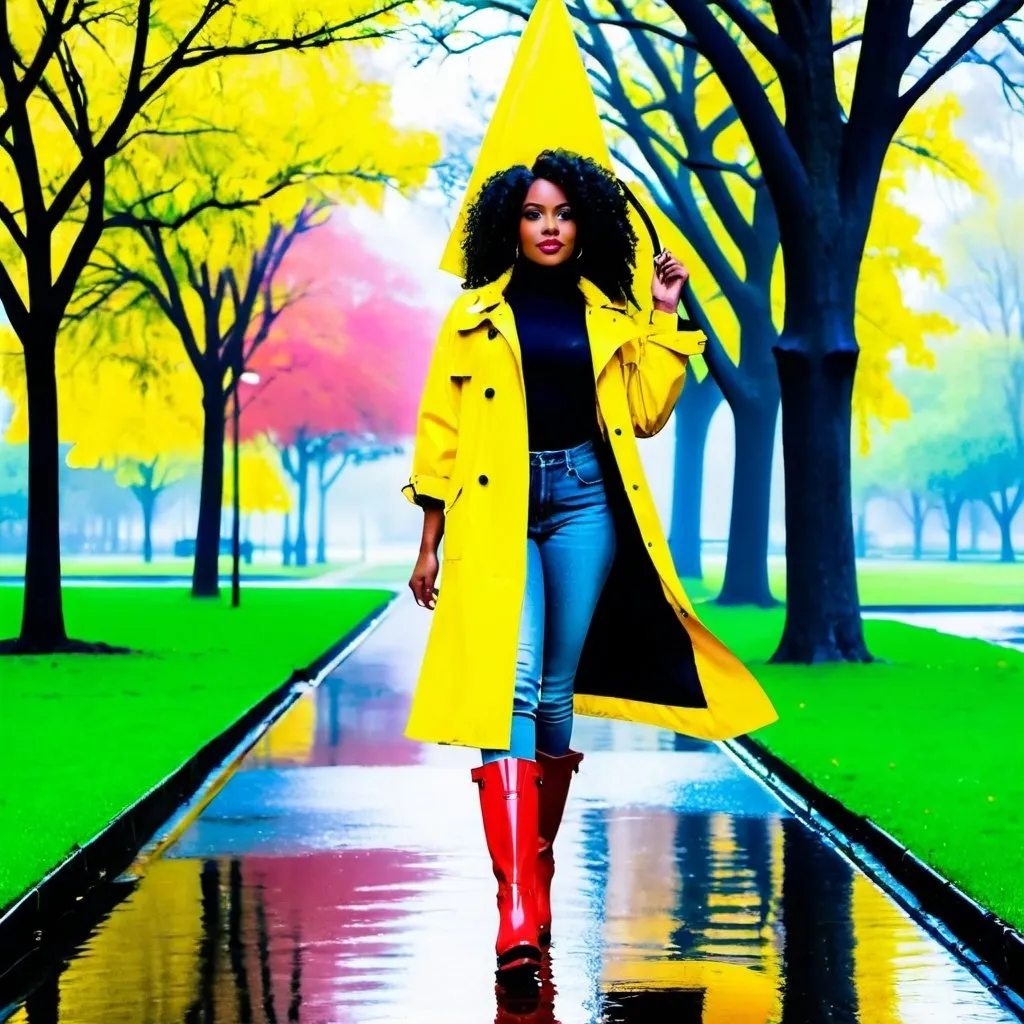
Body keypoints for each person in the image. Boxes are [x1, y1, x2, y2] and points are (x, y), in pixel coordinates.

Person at [401, 149, 777, 976]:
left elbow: (645, 417)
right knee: (517, 679)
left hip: (583, 503)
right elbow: (440, 434)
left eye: (564, 214)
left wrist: (665, 315)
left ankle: (535, 862)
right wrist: (428, 541)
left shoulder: (611, 315)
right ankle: (515, 907)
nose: (548, 227)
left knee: (557, 691)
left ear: (585, 227)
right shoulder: (470, 316)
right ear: (510, 222)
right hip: (497, 509)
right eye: (534, 213)